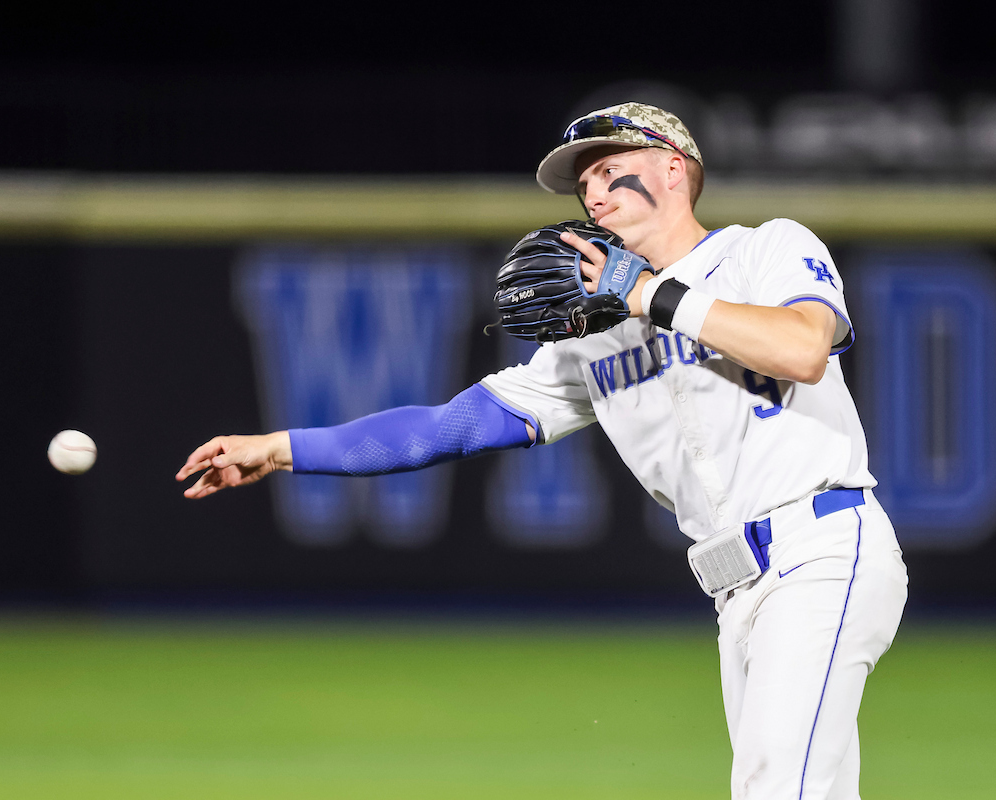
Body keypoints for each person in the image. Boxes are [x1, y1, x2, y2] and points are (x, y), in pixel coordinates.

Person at [176, 102, 908, 800]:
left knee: (779, 788)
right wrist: (280, 449)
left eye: (606, 166)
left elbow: (803, 348)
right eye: (580, 180)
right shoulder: (595, 338)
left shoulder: (765, 249)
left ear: (674, 169)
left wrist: (646, 292)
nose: (592, 191)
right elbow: (450, 426)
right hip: (734, 590)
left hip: (822, 548)